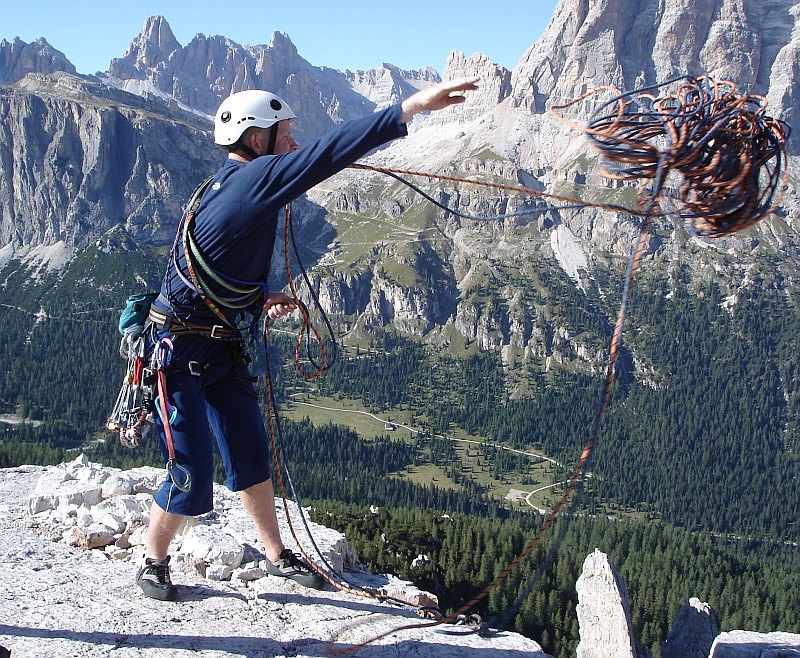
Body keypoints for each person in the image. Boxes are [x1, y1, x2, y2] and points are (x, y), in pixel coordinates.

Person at [135, 76, 480, 601]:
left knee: (250, 451)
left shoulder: (226, 185)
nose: (293, 143)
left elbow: (206, 269)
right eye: (285, 133)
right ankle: (152, 560)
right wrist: (408, 108)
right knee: (192, 471)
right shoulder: (255, 182)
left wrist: (258, 298)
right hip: (179, 354)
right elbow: (327, 154)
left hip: (215, 340)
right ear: (258, 140)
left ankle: (275, 554)